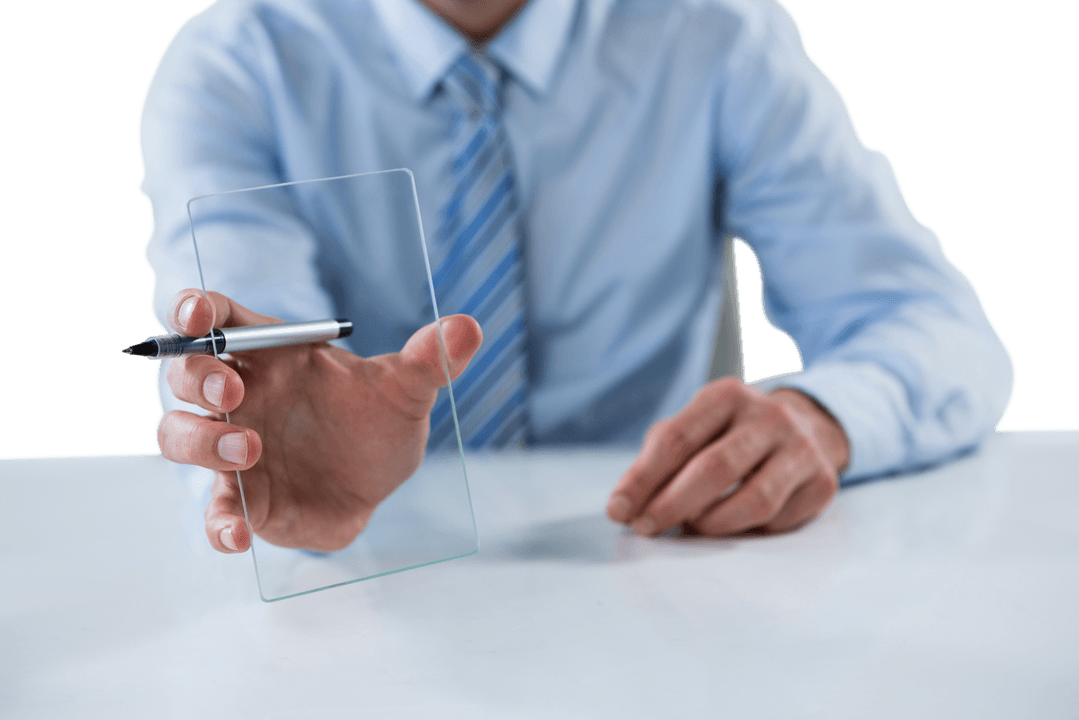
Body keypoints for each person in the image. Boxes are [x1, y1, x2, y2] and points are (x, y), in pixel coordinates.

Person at [140, 0, 1016, 554]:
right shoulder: (233, 65)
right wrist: (262, 447)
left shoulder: (717, 34)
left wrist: (818, 419)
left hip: (667, 572)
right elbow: (260, 379)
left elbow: (934, 331)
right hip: (362, 600)